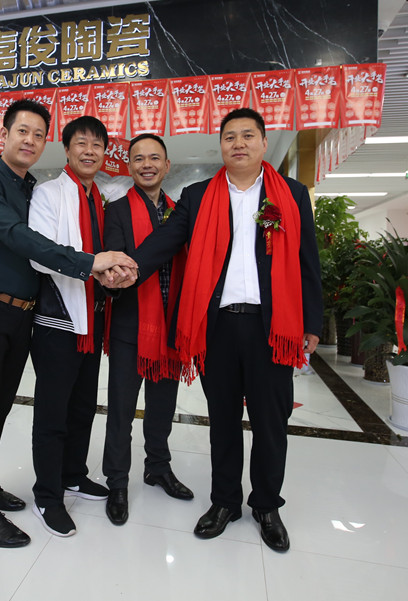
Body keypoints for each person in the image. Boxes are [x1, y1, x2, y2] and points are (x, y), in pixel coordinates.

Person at [126, 108, 322, 552]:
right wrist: (130, 266)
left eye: (247, 135)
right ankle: (225, 502)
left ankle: (267, 506)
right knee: (224, 421)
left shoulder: (290, 194)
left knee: (271, 422)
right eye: (230, 136)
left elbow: (308, 261)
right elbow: (165, 241)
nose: (238, 143)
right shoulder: (197, 196)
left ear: (263, 142)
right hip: (217, 327)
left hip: (272, 327)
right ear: (221, 145)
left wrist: (312, 321)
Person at [0, 99, 136, 549]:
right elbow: (21, 239)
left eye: (38, 134)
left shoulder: (29, 187)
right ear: (3, 134)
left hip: (23, 313)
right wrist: (91, 263)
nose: (30, 141)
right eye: (23, 131)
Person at [26, 116, 112, 538]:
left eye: (97, 144)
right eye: (81, 143)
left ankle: (74, 474)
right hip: (58, 320)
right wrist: (94, 264)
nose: (89, 151)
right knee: (53, 411)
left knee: (82, 405)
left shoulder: (101, 199)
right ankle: (47, 494)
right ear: (67, 149)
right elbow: (40, 255)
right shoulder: (49, 193)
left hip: (92, 320)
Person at [100, 133, 193, 527]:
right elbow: (118, 265)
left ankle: (157, 467)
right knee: (121, 409)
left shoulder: (181, 212)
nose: (147, 165)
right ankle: (118, 482)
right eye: (138, 158)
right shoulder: (117, 211)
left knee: (163, 406)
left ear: (167, 165)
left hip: (172, 325)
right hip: (131, 324)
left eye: (155, 158)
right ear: (129, 166)